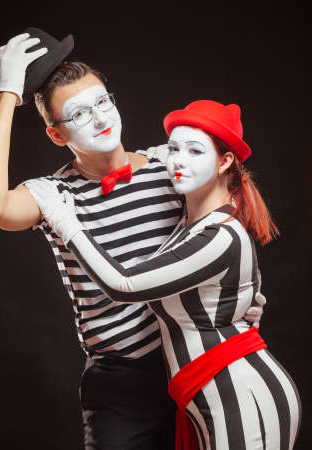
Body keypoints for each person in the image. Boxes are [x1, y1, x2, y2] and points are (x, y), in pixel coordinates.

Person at [0, 32, 265, 450]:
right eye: (78, 115)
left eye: (103, 101)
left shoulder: (171, 163)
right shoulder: (53, 195)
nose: (98, 118)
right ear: (57, 136)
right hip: (121, 383)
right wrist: (8, 93)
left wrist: (242, 291)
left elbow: (228, 217)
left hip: (195, 358)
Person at [28, 100, 302, 450]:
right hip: (202, 397)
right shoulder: (191, 225)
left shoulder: (219, 234)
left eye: (195, 151)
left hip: (241, 397)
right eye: (173, 148)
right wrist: (249, 297)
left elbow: (124, 285)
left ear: (225, 162)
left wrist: (65, 222)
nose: (179, 160)